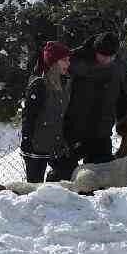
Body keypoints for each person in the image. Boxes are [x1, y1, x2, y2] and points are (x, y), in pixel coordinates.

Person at [62, 30, 127, 166]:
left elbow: (125, 96)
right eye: (102, 55)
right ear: (95, 50)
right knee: (64, 170)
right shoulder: (74, 60)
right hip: (72, 129)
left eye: (110, 57)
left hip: (101, 131)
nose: (106, 60)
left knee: (102, 172)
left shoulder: (120, 67)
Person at [19, 41, 77, 183]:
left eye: (68, 59)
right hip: (36, 146)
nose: (68, 63)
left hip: (56, 145)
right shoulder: (39, 84)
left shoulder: (65, 82)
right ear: (53, 62)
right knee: (35, 188)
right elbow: (28, 117)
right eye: (64, 60)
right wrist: (27, 142)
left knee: (68, 174)